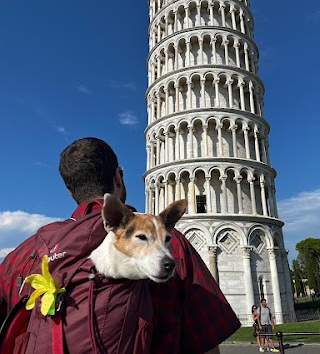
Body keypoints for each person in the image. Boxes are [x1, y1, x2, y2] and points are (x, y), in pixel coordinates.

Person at [0, 137, 241, 354]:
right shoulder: (171, 243)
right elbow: (206, 343)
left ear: (69, 189)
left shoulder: (26, 253)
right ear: (118, 177)